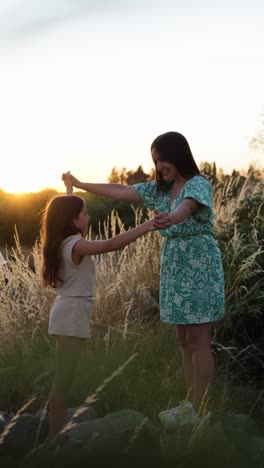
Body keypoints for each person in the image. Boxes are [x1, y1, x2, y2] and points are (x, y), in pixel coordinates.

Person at [62, 131, 225, 426]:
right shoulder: (160, 189)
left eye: (162, 158)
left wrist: (169, 219)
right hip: (175, 265)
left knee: (200, 339)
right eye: (155, 160)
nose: (159, 164)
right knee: (184, 339)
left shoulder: (197, 184)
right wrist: (82, 185)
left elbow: (187, 208)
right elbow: (120, 191)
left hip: (199, 264)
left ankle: (202, 412)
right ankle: (190, 405)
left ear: (177, 155)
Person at [40, 178, 156, 440]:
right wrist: (148, 225)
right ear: (72, 221)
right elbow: (110, 245)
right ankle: (53, 439)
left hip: (68, 310)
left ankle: (55, 434)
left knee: (64, 376)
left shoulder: (62, 242)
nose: (89, 216)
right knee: (63, 379)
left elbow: (67, 212)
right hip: (71, 313)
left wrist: (70, 190)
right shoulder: (75, 245)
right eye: (84, 213)